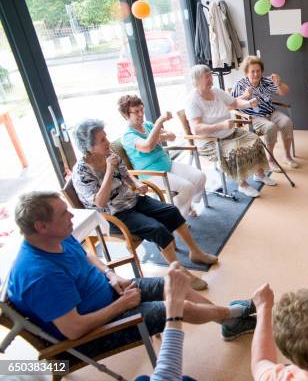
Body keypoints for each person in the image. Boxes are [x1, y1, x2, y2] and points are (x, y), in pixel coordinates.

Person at [7, 192, 257, 361]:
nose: (72, 215)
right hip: (94, 333)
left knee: (174, 285)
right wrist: (121, 305)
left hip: (112, 293)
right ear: (41, 226)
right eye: (64, 213)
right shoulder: (39, 275)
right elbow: (74, 330)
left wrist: (111, 275)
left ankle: (228, 321)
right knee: (177, 306)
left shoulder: (56, 237)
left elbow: (84, 255)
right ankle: (232, 316)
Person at [71, 119, 215, 290]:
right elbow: (100, 202)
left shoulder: (109, 155)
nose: (108, 142)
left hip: (132, 200)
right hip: (112, 215)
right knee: (156, 229)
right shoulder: (81, 171)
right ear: (89, 147)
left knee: (171, 211)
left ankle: (195, 253)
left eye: (106, 137)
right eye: (102, 140)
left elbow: (125, 174)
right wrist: (109, 170)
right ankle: (179, 273)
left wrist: (136, 183)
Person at [186, 64, 276, 198]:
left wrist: (249, 103)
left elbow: (234, 103)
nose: (211, 79)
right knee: (237, 149)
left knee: (254, 139)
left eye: (211, 75)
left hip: (229, 132)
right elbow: (196, 129)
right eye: (207, 77)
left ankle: (259, 174)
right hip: (210, 141)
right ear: (197, 80)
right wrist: (221, 126)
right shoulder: (192, 101)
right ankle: (243, 184)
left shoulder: (215, 91)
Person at [119, 94, 206, 219]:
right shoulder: (127, 136)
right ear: (126, 115)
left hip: (167, 164)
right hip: (152, 173)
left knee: (200, 177)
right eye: (136, 112)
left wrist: (166, 135)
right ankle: (176, 218)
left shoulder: (148, 125)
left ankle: (184, 205)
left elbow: (172, 136)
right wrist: (159, 122)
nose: (141, 114)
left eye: (141, 109)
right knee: (187, 187)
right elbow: (146, 146)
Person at [232, 55, 297, 170]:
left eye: (258, 71)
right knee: (270, 127)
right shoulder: (240, 84)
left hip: (271, 112)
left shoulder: (266, 81)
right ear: (246, 72)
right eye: (253, 71)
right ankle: (270, 160)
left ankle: (287, 156)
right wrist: (245, 96)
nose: (256, 74)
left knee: (287, 122)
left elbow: (285, 92)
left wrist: (279, 84)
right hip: (254, 117)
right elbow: (232, 104)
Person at [135, 262, 196, 381]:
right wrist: (174, 310)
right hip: (109, 313)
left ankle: (230, 316)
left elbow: (90, 257)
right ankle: (233, 316)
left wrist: (110, 274)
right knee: (185, 306)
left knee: (142, 379)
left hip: (116, 290)